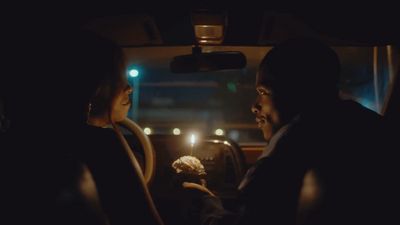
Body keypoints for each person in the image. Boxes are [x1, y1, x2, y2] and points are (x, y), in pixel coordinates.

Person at [183, 38, 390, 225]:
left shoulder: (289, 146)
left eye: (264, 92)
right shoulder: (372, 126)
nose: (254, 106)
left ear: (298, 91)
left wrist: (206, 205)